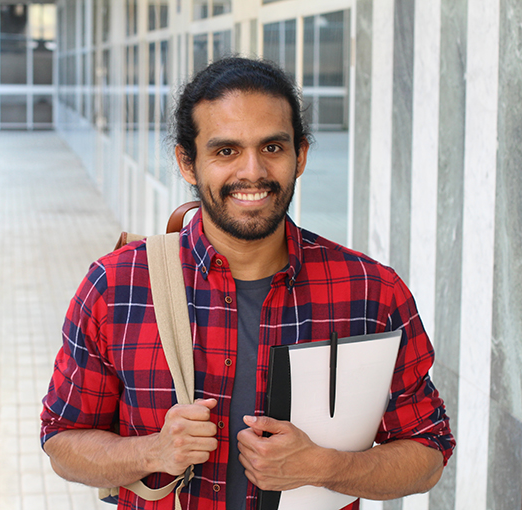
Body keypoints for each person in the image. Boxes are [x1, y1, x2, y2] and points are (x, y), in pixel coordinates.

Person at [40, 57, 454, 510]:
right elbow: (62, 440)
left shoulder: (371, 292)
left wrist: (326, 466)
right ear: (187, 162)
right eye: (226, 151)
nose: (252, 171)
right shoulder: (116, 287)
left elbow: (428, 453)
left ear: (301, 156)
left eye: (272, 148)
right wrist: (153, 451)